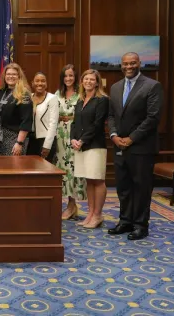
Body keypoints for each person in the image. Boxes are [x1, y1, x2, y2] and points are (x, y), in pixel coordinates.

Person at [107, 52, 163, 241]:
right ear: (121, 65)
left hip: (141, 147)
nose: (129, 66)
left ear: (139, 63)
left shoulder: (152, 86)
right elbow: (112, 116)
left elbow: (152, 118)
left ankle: (140, 225)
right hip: (119, 146)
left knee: (141, 187)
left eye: (133, 63)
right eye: (125, 64)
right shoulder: (115, 88)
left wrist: (131, 138)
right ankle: (125, 221)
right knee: (123, 186)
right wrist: (114, 136)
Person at [70, 69, 109, 229]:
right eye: (86, 79)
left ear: (97, 82)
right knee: (89, 180)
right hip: (80, 145)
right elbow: (74, 123)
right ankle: (91, 214)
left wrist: (82, 140)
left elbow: (98, 124)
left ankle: (98, 215)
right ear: (82, 82)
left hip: (95, 145)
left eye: (92, 79)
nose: (88, 82)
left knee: (97, 180)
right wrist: (73, 138)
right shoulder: (80, 100)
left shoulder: (102, 100)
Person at [54, 65, 86, 220]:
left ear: (76, 77)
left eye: (71, 76)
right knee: (62, 169)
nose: (68, 79)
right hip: (59, 136)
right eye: (65, 76)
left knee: (74, 169)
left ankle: (72, 204)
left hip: (74, 134)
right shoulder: (57, 94)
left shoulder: (81, 94)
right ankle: (69, 204)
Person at [0, 63, 33, 156]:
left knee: (13, 168)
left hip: (15, 138)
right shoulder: (0, 92)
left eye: (14, 74)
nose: (11, 76)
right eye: (8, 74)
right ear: (4, 76)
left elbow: (26, 120)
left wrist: (19, 143)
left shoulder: (24, 94)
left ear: (19, 77)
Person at [28, 72, 59, 161]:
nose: (40, 83)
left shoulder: (52, 98)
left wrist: (47, 145)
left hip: (46, 140)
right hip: (30, 141)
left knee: (45, 172)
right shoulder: (28, 97)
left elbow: (53, 123)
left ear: (46, 84)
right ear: (32, 83)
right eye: (37, 81)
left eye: (43, 81)